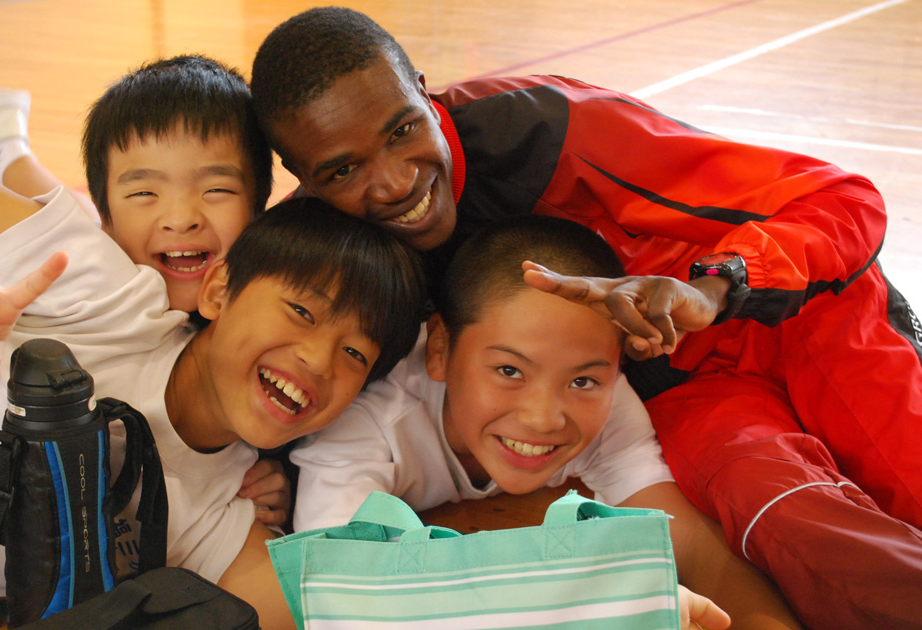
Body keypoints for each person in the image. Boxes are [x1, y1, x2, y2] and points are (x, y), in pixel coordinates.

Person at [249, 7, 922, 629]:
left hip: (805, 324)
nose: (395, 183)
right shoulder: (328, 250)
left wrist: (715, 287)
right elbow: (263, 361)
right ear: (300, 175)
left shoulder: (546, 130)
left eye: (403, 130)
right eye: (342, 171)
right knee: (796, 529)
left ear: (424, 91)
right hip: (673, 396)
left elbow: (842, 200)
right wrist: (261, 470)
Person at [0, 2, 428, 628]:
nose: (182, 217)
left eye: (217, 189)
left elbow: (322, 607)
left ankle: (5, 150)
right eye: (300, 312)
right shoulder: (96, 275)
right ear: (221, 288)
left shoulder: (222, 501)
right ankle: (4, 152)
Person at [292, 215, 799, 630]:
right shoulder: (368, 415)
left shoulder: (605, 402)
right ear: (440, 348)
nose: (543, 417)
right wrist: (604, 604)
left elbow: (689, 545)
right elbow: (346, 589)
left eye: (583, 380)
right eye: (509, 371)